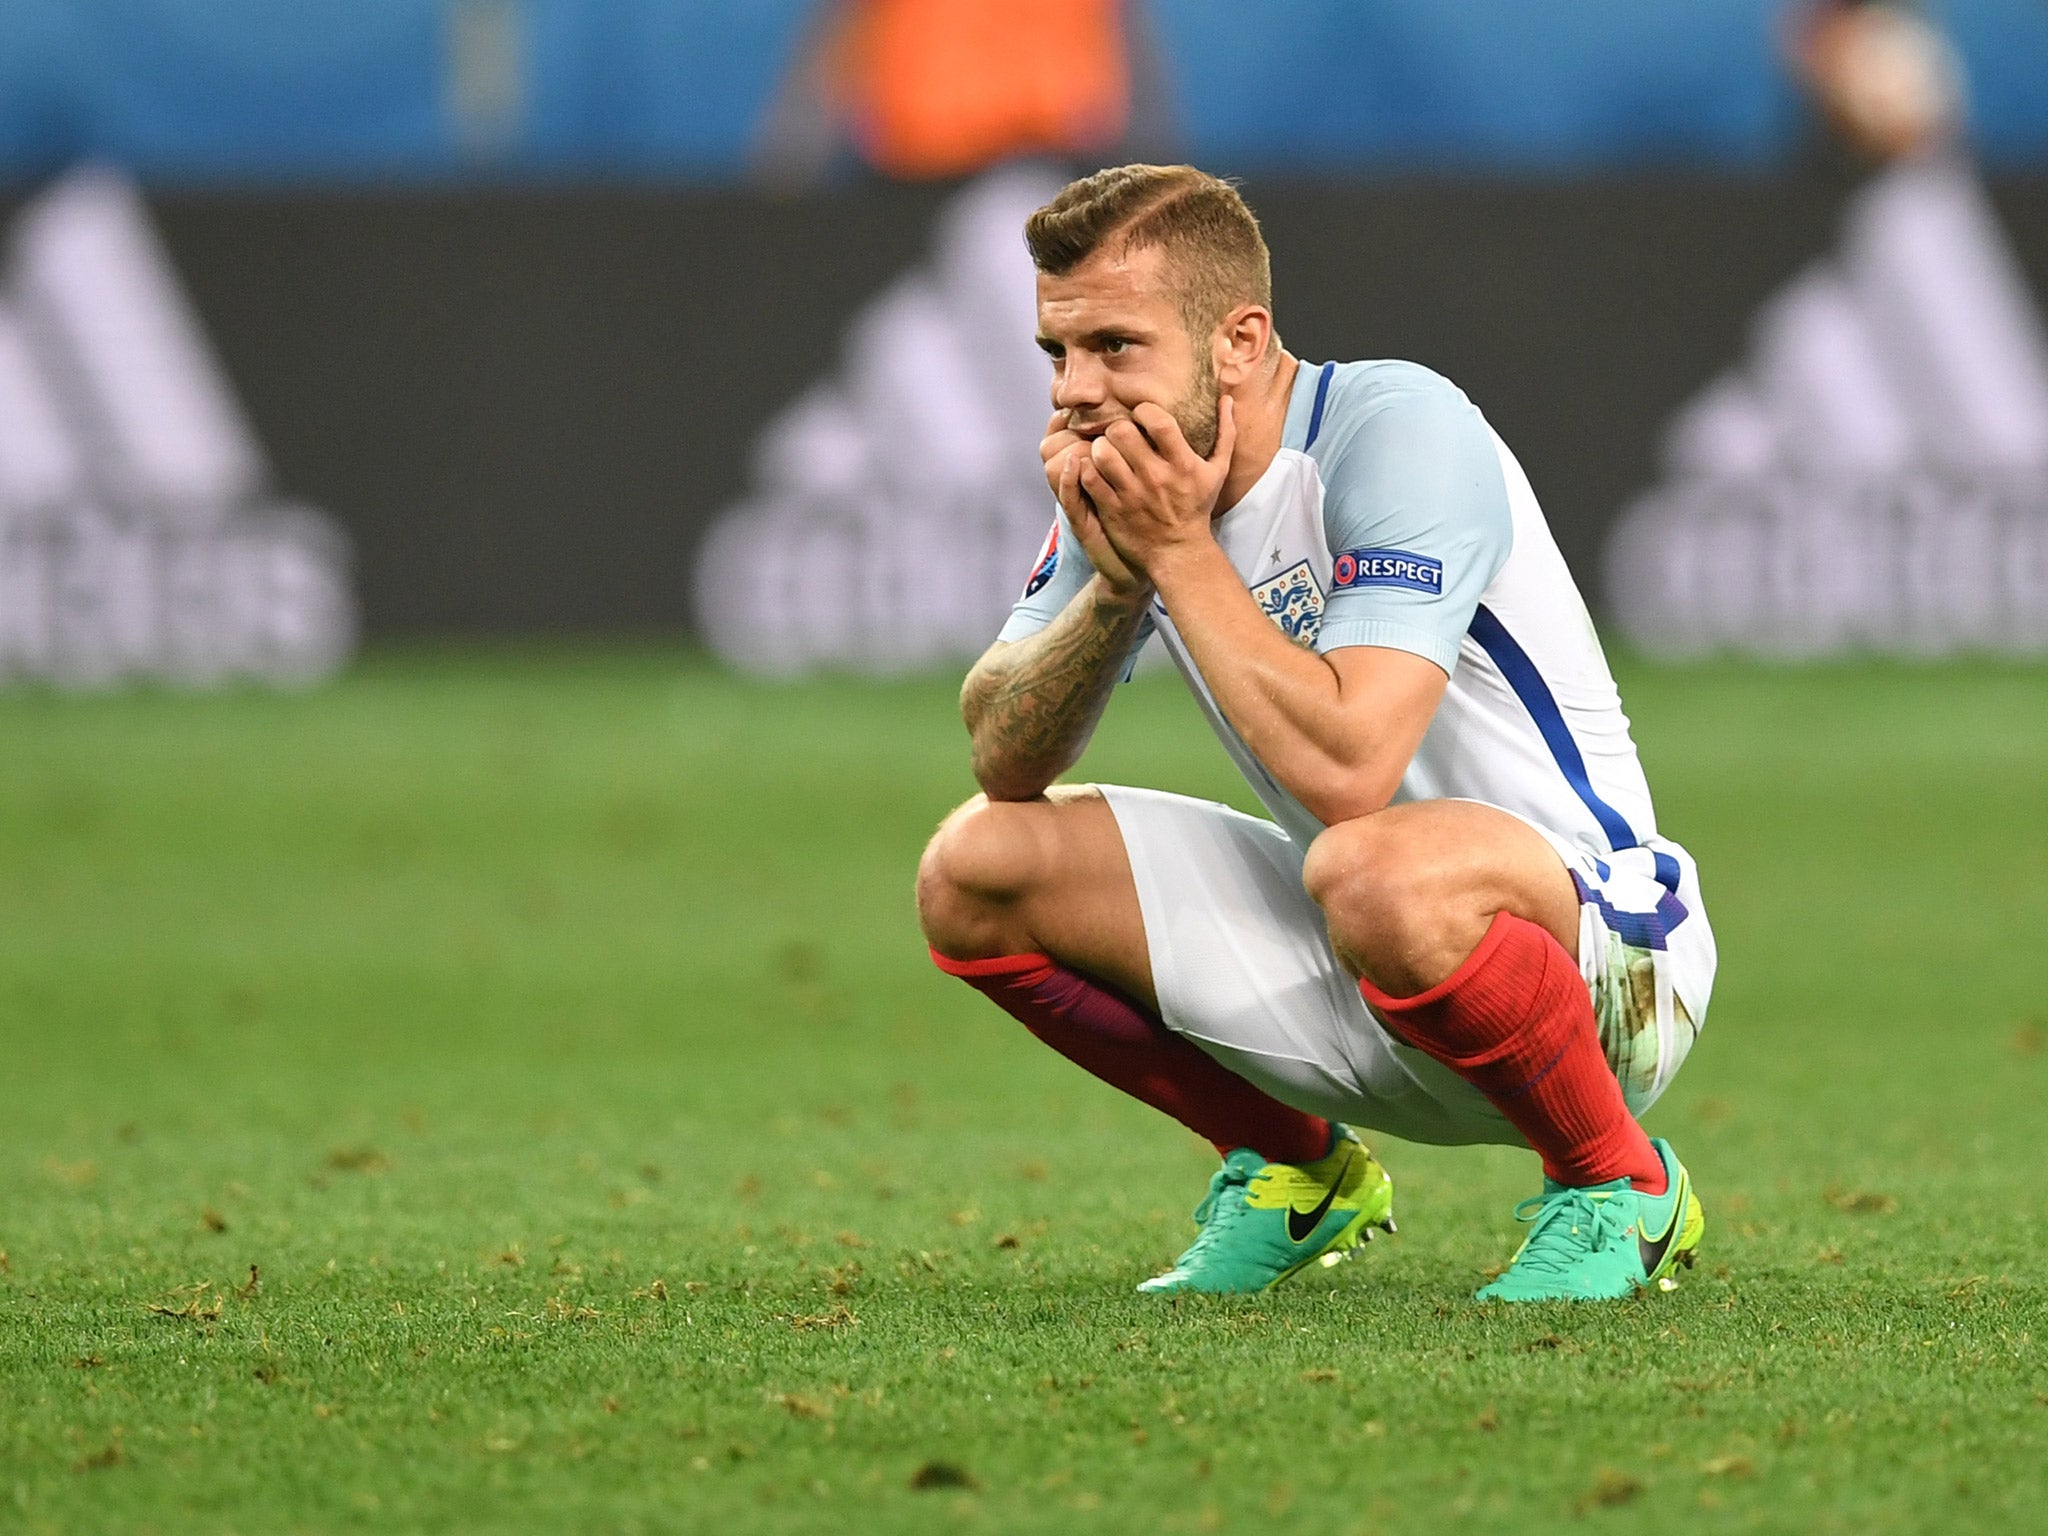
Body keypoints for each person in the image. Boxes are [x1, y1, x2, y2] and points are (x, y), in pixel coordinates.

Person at [915, 165, 1716, 1302]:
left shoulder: (1398, 430)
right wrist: (1115, 587)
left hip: (1604, 964)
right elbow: (1000, 751)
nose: (1074, 394)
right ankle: (1296, 1172)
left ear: (1239, 341)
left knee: (1367, 864)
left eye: (1114, 347)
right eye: (1058, 353)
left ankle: (1614, 1182)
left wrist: (1180, 557)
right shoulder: (1142, 480)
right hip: (1364, 949)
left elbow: (1351, 770)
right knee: (972, 868)